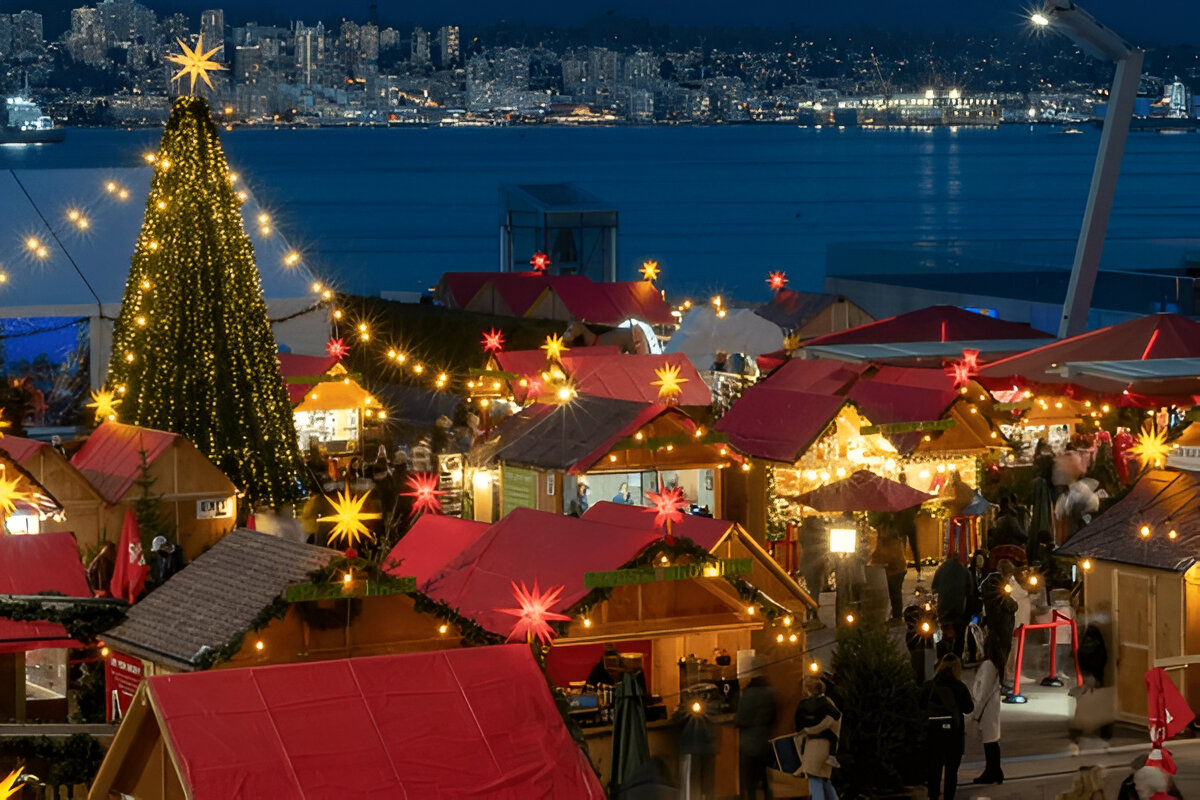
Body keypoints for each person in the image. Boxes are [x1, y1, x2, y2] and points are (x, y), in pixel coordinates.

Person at [920, 654, 974, 800]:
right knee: (951, 771)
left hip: (933, 732)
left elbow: (920, 706)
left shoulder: (930, 686)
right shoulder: (959, 687)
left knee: (934, 768)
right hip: (954, 734)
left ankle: (933, 796)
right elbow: (969, 708)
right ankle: (949, 797)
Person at [734, 656, 777, 800]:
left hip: (748, 744)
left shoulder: (749, 693)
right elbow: (773, 716)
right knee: (766, 781)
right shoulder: (771, 691)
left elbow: (741, 718)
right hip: (765, 741)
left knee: (749, 782)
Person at [794, 675, 841, 800]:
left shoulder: (808, 705)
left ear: (808, 690)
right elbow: (836, 719)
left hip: (815, 744)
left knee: (814, 780)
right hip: (827, 746)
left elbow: (800, 725)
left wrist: (808, 730)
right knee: (825, 780)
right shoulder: (829, 703)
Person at [971, 639, 1005, 785]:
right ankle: (995, 770)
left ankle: (992, 771)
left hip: (986, 708)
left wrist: (976, 713)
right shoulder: (995, 665)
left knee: (989, 740)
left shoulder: (987, 666)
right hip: (992, 706)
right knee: (992, 740)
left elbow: (983, 691)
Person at [932, 556, 973, 658]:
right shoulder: (964, 571)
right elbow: (970, 590)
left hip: (944, 609)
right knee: (959, 635)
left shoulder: (941, 569)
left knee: (944, 635)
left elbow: (934, 588)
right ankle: (957, 659)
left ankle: (943, 657)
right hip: (959, 610)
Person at [869, 525, 908, 621]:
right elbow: (877, 555)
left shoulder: (894, 542)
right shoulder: (882, 541)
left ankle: (897, 617)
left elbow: (894, 559)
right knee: (888, 595)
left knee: (895, 595)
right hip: (887, 571)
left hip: (896, 572)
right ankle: (892, 616)